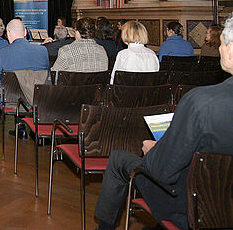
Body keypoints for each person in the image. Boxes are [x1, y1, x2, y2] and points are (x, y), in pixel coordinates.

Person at [93, 13, 233, 230]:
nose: (220, 48)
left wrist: (153, 149)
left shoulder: (200, 103)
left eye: (223, 42)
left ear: (231, 49)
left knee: (120, 160)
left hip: (192, 205)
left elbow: (162, 171)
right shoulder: (152, 56)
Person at [0, 18, 50, 139]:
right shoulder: (42, 50)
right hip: (36, 100)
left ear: (8, 34)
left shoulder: (2, 52)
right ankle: (24, 128)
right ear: (26, 32)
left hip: (11, 101)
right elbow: (46, 76)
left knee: (0, 90)